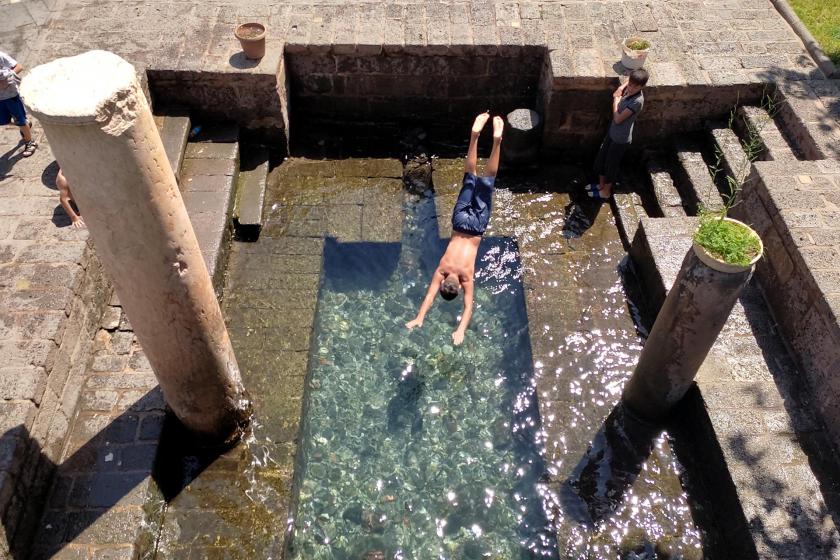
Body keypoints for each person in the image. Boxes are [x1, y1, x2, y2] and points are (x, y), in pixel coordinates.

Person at [406, 112, 503, 346]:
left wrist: (460, 331)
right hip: (460, 223)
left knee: (487, 180)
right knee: (470, 177)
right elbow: (429, 296)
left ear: (458, 286)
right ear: (443, 284)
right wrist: (419, 316)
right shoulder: (441, 271)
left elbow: (469, 307)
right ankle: (474, 136)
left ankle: (497, 141)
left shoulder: (467, 278)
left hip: (477, 227)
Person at [586, 68, 648, 200]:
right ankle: (601, 186)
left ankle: (606, 192)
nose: (630, 88)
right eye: (630, 84)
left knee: (611, 166)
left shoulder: (637, 102)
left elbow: (618, 119)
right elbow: (627, 81)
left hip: (620, 139)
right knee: (601, 159)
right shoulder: (629, 87)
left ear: (641, 87)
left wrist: (616, 101)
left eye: (634, 87)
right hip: (612, 133)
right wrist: (622, 87)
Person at [1, 50, 37, 157]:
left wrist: (8, 75)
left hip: (11, 95)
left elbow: (19, 67)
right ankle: (25, 124)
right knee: (3, 121)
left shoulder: (1, 56)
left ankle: (30, 142)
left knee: (20, 120)